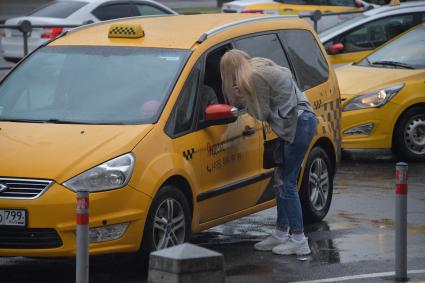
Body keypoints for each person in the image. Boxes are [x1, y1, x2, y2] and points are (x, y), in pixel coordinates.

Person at [220, 49, 317, 256]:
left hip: (298, 123)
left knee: (287, 182)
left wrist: (242, 99)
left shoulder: (253, 77)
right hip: (301, 120)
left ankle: (299, 239)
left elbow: (261, 113)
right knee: (280, 178)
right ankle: (281, 233)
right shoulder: (259, 64)